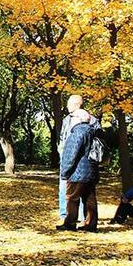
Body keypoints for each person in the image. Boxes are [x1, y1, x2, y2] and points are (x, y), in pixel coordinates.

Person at [56, 109, 101, 232]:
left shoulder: (78, 132)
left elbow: (71, 154)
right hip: (92, 172)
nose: (71, 119)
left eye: (73, 117)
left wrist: (64, 172)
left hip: (77, 172)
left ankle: (69, 224)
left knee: (72, 199)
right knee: (90, 199)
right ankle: (91, 225)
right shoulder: (94, 132)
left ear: (79, 119)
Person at [57, 95, 87, 223]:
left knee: (76, 186)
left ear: (76, 104)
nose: (67, 106)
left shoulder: (87, 119)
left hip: (79, 159)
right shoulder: (66, 120)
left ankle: (78, 215)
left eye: (69, 104)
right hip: (66, 155)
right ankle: (64, 213)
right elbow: (63, 137)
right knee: (64, 185)